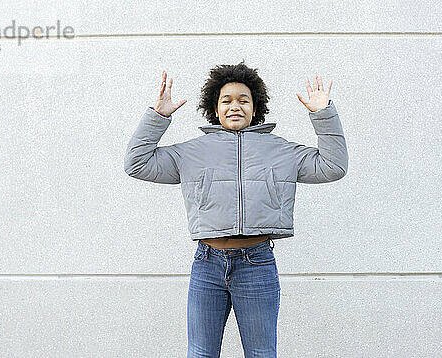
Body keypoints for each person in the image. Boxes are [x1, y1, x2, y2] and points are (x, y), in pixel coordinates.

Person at [124, 61, 348, 357]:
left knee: (261, 354)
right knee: (201, 354)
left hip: (256, 264)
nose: (235, 106)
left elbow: (333, 166)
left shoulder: (281, 150)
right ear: (214, 110)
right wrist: (158, 117)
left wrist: (322, 114)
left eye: (244, 100)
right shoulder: (191, 152)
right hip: (207, 264)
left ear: (255, 109)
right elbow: (136, 164)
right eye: (226, 100)